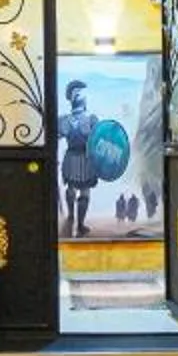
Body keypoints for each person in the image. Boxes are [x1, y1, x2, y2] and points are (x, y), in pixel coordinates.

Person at [57, 80, 97, 238]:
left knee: (71, 188)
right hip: (84, 158)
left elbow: (57, 136)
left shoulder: (64, 120)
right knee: (84, 191)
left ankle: (73, 218)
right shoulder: (91, 119)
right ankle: (79, 224)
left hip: (71, 157)